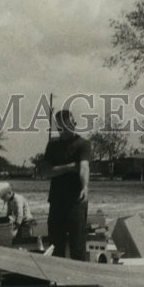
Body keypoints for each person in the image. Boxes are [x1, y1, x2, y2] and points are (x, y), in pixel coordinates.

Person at [44, 110, 92, 260]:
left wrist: (85, 187)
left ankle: (78, 281)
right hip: (57, 200)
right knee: (55, 246)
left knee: (77, 246)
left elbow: (84, 167)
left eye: (70, 125)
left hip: (76, 201)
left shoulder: (83, 144)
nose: (65, 130)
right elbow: (46, 172)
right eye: (62, 127)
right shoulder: (52, 144)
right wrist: (70, 167)